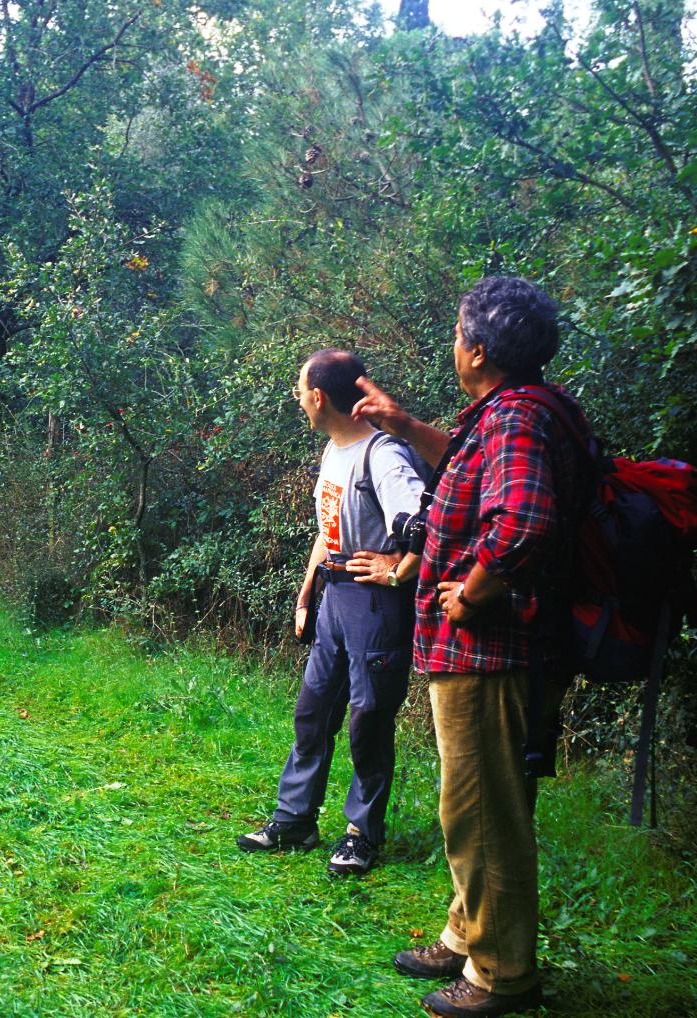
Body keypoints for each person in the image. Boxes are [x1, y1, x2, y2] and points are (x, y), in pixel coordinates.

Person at [354, 277, 592, 1017]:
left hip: (491, 653)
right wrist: (403, 422)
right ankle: (467, 933)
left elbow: (522, 519)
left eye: (459, 336)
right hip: (484, 656)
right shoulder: (513, 412)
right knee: (471, 805)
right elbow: (469, 463)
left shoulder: (517, 421)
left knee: (485, 811)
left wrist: (473, 589)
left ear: (478, 350)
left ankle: (501, 974)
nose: (454, 346)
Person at [236, 350, 427, 876]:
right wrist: (304, 596)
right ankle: (295, 821)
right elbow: (328, 532)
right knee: (313, 712)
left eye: (300, 390)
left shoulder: (384, 455)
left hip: (375, 604)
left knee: (368, 719)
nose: (298, 399)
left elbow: (427, 525)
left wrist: (396, 570)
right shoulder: (334, 450)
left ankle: (361, 834)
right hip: (333, 599)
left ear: (318, 397)